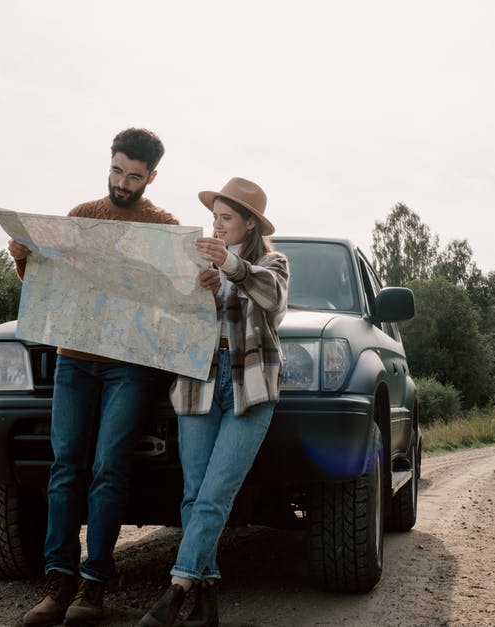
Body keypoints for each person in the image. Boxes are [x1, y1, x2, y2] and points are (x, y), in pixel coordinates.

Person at [12, 128, 179, 627]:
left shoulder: (162, 225)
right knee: (66, 467)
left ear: (151, 176)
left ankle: (94, 586)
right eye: (116, 171)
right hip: (74, 359)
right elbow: (50, 286)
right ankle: (57, 582)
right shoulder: (82, 216)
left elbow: (175, 297)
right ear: (109, 164)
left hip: (129, 365)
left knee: (109, 469)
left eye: (133, 176)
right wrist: (23, 260)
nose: (122, 183)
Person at [138, 177, 289, 627]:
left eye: (227, 219)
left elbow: (274, 302)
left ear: (249, 224)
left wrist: (232, 267)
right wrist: (195, 292)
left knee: (216, 494)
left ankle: (176, 589)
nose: (217, 226)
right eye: (214, 218)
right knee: (194, 495)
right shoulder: (196, 262)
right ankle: (206, 603)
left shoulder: (272, 262)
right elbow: (167, 320)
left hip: (251, 388)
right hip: (197, 382)